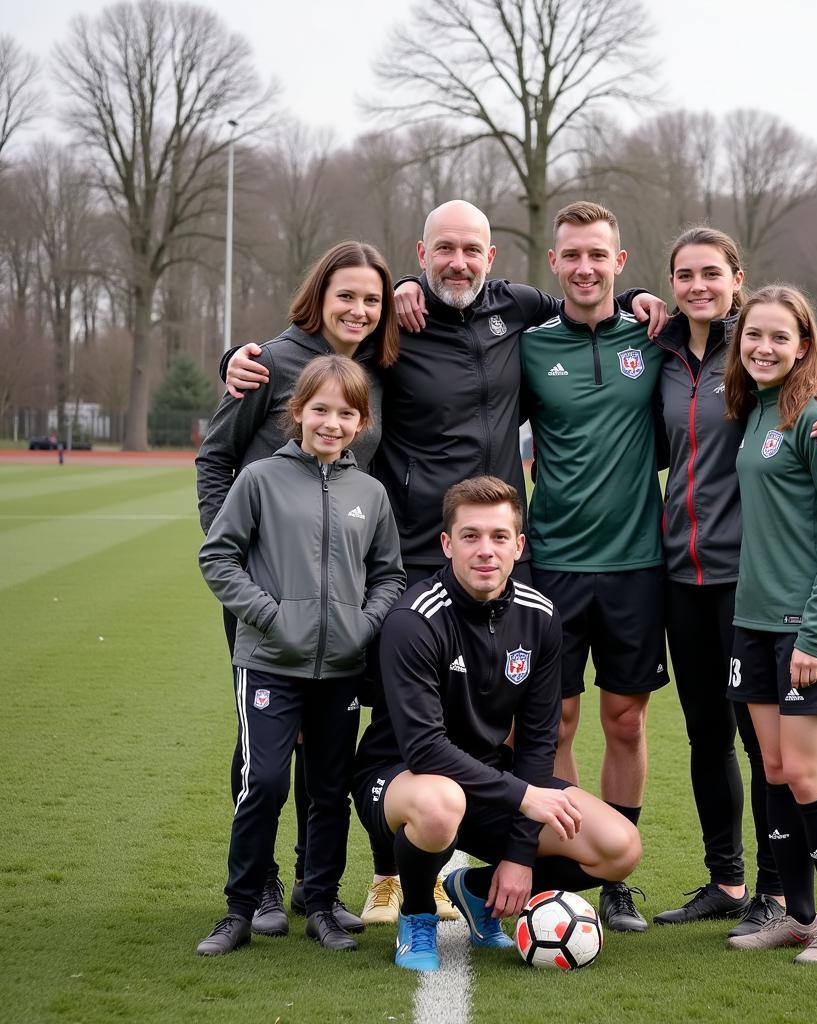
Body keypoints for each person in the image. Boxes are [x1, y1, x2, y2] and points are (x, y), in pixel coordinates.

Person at [223, 199, 666, 923]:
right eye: (442, 250)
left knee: (521, 714)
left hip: (495, 546)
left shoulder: (517, 308)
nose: (457, 262)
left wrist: (645, 295)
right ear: (420, 255)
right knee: (382, 714)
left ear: (492, 260)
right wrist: (242, 357)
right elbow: (323, 345)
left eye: (471, 250)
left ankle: (499, 868)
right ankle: (376, 875)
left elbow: (583, 292)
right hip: (411, 552)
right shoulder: (399, 317)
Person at [652, 228, 817, 935]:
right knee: (728, 746)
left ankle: (798, 904)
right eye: (683, 274)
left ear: (736, 280)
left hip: (769, 596)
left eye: (711, 273)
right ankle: (746, 889)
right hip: (695, 583)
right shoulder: (662, 355)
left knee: (782, 760)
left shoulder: (780, 384)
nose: (697, 285)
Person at [352, 476, 642, 972]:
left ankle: (474, 891)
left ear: (518, 545)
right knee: (442, 802)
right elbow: (424, 750)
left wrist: (520, 854)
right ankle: (418, 915)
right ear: (447, 544)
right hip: (400, 776)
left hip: (492, 780)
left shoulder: (541, 617)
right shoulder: (413, 620)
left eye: (499, 537)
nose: (485, 551)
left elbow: (536, 740)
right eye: (470, 536)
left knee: (619, 848)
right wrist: (524, 797)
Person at [196, 241, 399, 937]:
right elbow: (217, 457)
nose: (358, 309)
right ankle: (257, 893)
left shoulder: (375, 369)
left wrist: (364, 619)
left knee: (326, 768)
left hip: (339, 615)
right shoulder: (272, 362)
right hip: (265, 592)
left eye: (372, 299)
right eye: (347, 295)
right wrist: (242, 570)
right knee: (266, 756)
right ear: (320, 294)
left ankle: (320, 891)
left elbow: (383, 551)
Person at [518, 201, 668, 933]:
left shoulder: (656, 335)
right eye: (571, 255)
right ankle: (572, 869)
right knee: (557, 721)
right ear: (554, 263)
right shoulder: (529, 344)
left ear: (620, 258)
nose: (584, 267)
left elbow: (750, 331)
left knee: (626, 720)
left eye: (596, 255)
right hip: (551, 563)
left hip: (639, 564)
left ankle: (615, 881)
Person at [721, 284, 817, 962]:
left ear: (804, 345)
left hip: (811, 626)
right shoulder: (752, 411)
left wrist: (814, 632)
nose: (764, 347)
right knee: (775, 768)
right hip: (752, 621)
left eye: (780, 337)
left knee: (809, 774)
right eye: (754, 335)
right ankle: (797, 914)